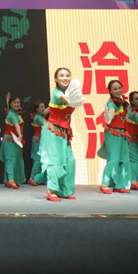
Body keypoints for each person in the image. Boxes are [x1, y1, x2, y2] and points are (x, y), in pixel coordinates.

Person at [35, 68, 77, 201]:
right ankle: (51, 191)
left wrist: (48, 110)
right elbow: (63, 99)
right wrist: (73, 98)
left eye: (67, 75)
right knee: (54, 161)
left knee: (70, 161)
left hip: (64, 132)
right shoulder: (57, 93)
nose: (65, 78)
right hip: (52, 131)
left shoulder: (67, 92)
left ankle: (65, 190)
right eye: (62, 76)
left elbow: (52, 107)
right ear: (56, 79)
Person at [97, 80, 131, 195]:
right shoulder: (111, 103)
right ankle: (104, 184)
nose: (118, 91)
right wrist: (109, 116)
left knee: (123, 160)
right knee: (114, 159)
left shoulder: (122, 102)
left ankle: (118, 185)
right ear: (110, 91)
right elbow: (111, 112)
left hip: (122, 134)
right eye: (115, 89)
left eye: (119, 88)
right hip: (112, 133)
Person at [0, 92, 26, 189]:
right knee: (11, 159)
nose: (17, 104)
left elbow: (9, 108)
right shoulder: (13, 115)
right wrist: (20, 135)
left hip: (16, 141)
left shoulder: (14, 113)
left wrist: (7, 101)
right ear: (11, 104)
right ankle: (11, 179)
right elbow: (17, 125)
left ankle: (10, 179)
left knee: (17, 160)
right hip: (10, 140)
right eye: (14, 102)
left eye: (18, 102)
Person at [28, 101, 48, 186]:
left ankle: (38, 178)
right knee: (38, 159)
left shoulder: (39, 116)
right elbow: (46, 125)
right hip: (38, 139)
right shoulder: (39, 118)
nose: (43, 108)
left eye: (44, 107)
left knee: (41, 159)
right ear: (37, 109)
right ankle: (32, 178)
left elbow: (47, 110)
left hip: (40, 139)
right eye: (41, 107)